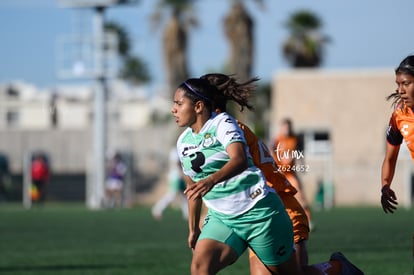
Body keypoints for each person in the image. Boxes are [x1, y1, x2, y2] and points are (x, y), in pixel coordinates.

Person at [201, 73, 364, 275]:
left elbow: (236, 173)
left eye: (192, 100)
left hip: (280, 209)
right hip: (260, 215)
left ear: (203, 104)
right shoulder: (212, 136)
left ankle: (338, 269)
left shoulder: (227, 133)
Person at [172, 77, 301, 274]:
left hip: (259, 213)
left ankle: (337, 268)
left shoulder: (222, 123)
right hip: (222, 219)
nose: (173, 109)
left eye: (179, 103)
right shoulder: (183, 142)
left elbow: (239, 159)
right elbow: (193, 190)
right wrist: (193, 229)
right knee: (200, 268)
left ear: (198, 106)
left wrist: (210, 181)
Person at [381, 54, 414, 213]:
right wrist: (385, 185)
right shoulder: (399, 115)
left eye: (406, 83)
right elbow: (390, 157)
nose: (401, 90)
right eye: (398, 84)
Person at [272, 118, 314, 229]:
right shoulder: (277, 140)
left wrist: (301, 164)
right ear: (281, 128)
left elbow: (299, 154)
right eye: (285, 127)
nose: (287, 129)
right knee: (275, 198)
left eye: (288, 127)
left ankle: (308, 220)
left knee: (300, 196)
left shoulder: (295, 139)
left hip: (290, 174)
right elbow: (272, 153)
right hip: (279, 174)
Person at [152, 147, 188, 220]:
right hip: (176, 177)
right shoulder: (175, 151)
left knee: (184, 195)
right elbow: (175, 164)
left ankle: (187, 214)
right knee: (172, 195)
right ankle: (157, 209)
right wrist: (181, 174)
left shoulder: (181, 148)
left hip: (179, 176)